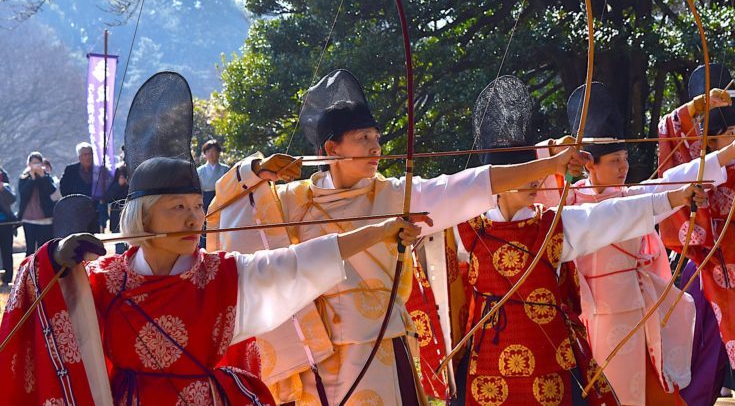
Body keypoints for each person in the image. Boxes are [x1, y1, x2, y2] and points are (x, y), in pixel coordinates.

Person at [0, 71, 426, 405]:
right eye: (177, 208)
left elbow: (301, 260)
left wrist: (379, 231)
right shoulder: (107, 278)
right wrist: (55, 258)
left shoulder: (220, 274)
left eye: (195, 206)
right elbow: (49, 309)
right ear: (145, 219)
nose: (193, 220)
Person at [208, 69, 591, 404]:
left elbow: (469, 185)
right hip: (319, 352)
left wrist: (550, 164)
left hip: (383, 343)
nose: (375, 147)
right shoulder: (292, 201)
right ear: (331, 148)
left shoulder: (395, 194)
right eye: (362, 139)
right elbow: (227, 210)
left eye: (376, 137)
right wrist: (255, 168)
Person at [449, 77, 707, 406]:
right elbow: (432, 208)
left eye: (535, 171)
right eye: (521, 174)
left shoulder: (553, 224)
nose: (533, 180)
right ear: (497, 183)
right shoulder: (464, 229)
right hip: (487, 357)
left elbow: (616, 214)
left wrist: (675, 197)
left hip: (550, 357)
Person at [558, 83, 735, 405]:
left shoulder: (631, 195)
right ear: (589, 165)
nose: (623, 167)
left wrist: (728, 154)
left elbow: (673, 180)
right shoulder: (567, 199)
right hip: (593, 309)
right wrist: (556, 153)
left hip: (635, 304)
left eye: (624, 159)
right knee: (607, 386)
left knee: (645, 385)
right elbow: (531, 179)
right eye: (614, 161)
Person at [659, 81, 735, 406]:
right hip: (706, 270)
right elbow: (673, 138)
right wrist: (697, 107)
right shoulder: (701, 169)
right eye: (730, 133)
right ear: (710, 141)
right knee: (702, 360)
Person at [60, 142, 111, 231]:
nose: (88, 157)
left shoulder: (100, 170)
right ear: (79, 157)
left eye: (90, 154)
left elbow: (108, 189)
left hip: (95, 214)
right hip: (76, 214)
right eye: (84, 155)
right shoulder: (71, 170)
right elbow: (64, 190)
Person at [17, 151, 56, 256]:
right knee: (30, 250)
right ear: (29, 165)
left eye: (38, 163)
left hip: (45, 219)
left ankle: (44, 271)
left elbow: (52, 192)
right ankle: (29, 271)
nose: (36, 166)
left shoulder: (46, 177)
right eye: (33, 163)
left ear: (42, 164)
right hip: (28, 219)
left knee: (44, 250)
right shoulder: (23, 178)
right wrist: (32, 179)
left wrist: (42, 177)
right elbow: (23, 195)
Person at [197, 139, 230, 212]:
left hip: (222, 199)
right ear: (205, 154)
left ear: (218, 153)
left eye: (213, 151)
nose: (211, 154)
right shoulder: (199, 171)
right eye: (208, 152)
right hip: (205, 199)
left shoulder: (226, 169)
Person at [105, 163, 129, 253]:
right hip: (117, 218)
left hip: (130, 216)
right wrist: (119, 185)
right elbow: (108, 198)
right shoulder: (118, 172)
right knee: (120, 249)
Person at [0, 165, 17, 286]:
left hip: (6, 223)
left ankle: (8, 278)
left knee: (7, 251)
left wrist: (2, 189)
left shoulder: (5, 186)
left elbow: (12, 200)